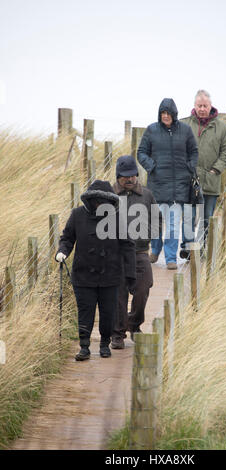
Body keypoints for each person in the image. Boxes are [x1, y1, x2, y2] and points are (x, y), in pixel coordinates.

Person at [55, 180, 136, 361]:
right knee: (85, 311)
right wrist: (62, 252)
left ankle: (104, 344)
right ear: (90, 200)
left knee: (108, 312)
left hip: (110, 275)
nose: (99, 204)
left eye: (103, 201)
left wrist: (130, 274)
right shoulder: (77, 215)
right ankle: (84, 347)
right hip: (83, 275)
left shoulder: (116, 217)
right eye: (96, 201)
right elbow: (67, 238)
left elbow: (127, 246)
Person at [137, 98, 199, 269]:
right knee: (156, 222)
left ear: (174, 114)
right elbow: (141, 153)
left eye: (168, 113)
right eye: (163, 113)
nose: (165, 116)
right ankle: (155, 251)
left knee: (173, 224)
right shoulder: (151, 130)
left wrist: (189, 167)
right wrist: (151, 166)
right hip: (157, 185)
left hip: (179, 186)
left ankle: (171, 258)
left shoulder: (185, 131)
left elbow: (194, 152)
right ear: (159, 114)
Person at [111, 155, 161, 349]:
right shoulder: (109, 195)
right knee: (118, 295)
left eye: (133, 175)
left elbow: (157, 220)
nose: (130, 179)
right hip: (116, 254)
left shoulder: (147, 195)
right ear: (118, 176)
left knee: (143, 289)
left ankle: (134, 324)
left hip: (140, 252)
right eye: (125, 176)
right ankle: (117, 334)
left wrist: (146, 235)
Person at [181, 90, 226, 252]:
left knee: (206, 218)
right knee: (188, 217)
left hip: (211, 180)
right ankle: (188, 249)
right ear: (194, 105)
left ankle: (200, 249)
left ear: (210, 106)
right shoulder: (184, 125)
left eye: (205, 106)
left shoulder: (222, 128)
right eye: (199, 105)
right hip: (188, 180)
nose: (202, 108)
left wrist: (215, 170)